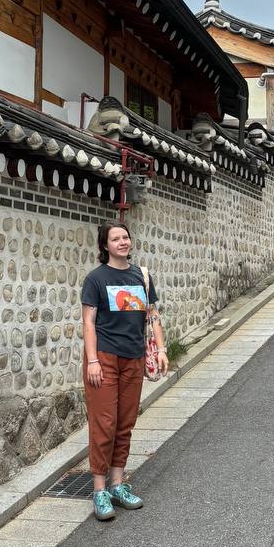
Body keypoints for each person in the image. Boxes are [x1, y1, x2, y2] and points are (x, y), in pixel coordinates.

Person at [80, 221, 168, 521]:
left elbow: (153, 314)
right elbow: (88, 322)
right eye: (115, 238)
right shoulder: (96, 279)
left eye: (126, 237)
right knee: (104, 423)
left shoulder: (142, 276)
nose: (122, 242)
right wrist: (92, 360)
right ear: (104, 245)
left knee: (125, 422)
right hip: (104, 358)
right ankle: (99, 490)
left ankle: (118, 485)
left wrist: (161, 349)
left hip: (134, 357)